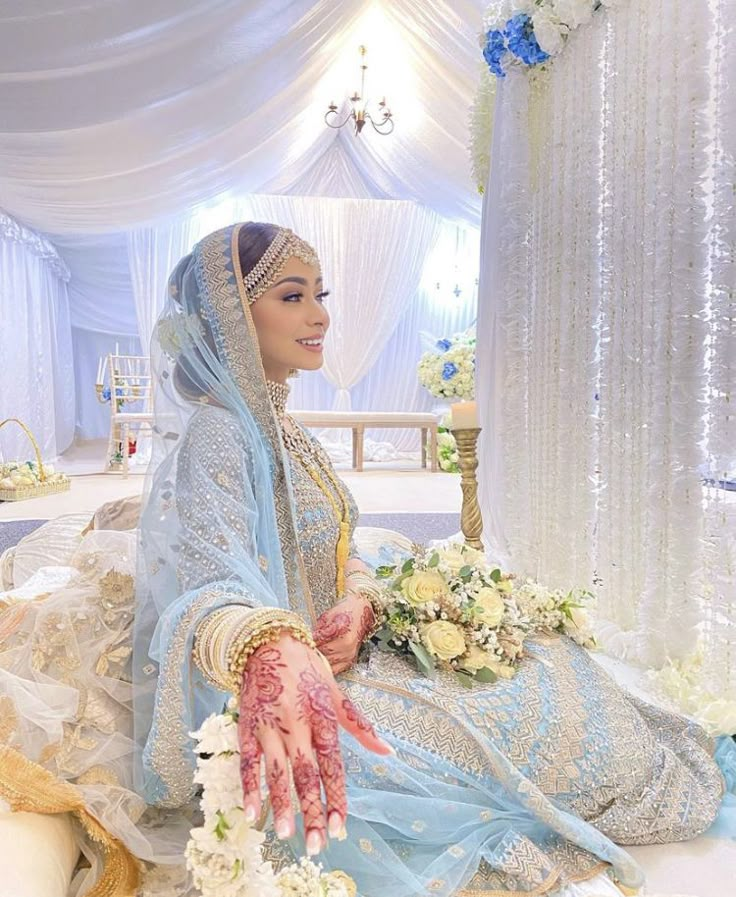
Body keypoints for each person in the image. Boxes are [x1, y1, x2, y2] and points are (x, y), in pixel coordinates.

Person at [0, 222, 733, 897]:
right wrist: (271, 650)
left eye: (320, 295)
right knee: (491, 726)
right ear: (232, 318)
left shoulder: (277, 421)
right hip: (278, 680)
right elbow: (209, 582)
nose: (320, 315)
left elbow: (345, 531)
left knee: (539, 662)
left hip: (339, 648)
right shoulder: (221, 435)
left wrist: (358, 599)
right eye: (293, 297)